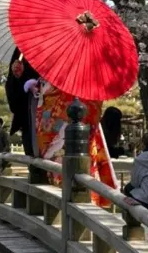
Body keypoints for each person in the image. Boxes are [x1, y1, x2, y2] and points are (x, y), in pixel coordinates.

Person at [34, 79, 117, 207]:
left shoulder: (60, 83)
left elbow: (47, 114)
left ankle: (75, 203)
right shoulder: (94, 87)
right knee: (85, 168)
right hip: (83, 134)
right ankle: (87, 202)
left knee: (71, 172)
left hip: (67, 136)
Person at [5, 49, 39, 156]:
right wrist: (18, 78)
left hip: (53, 118)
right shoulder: (21, 50)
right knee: (33, 160)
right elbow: (13, 98)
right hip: (28, 117)